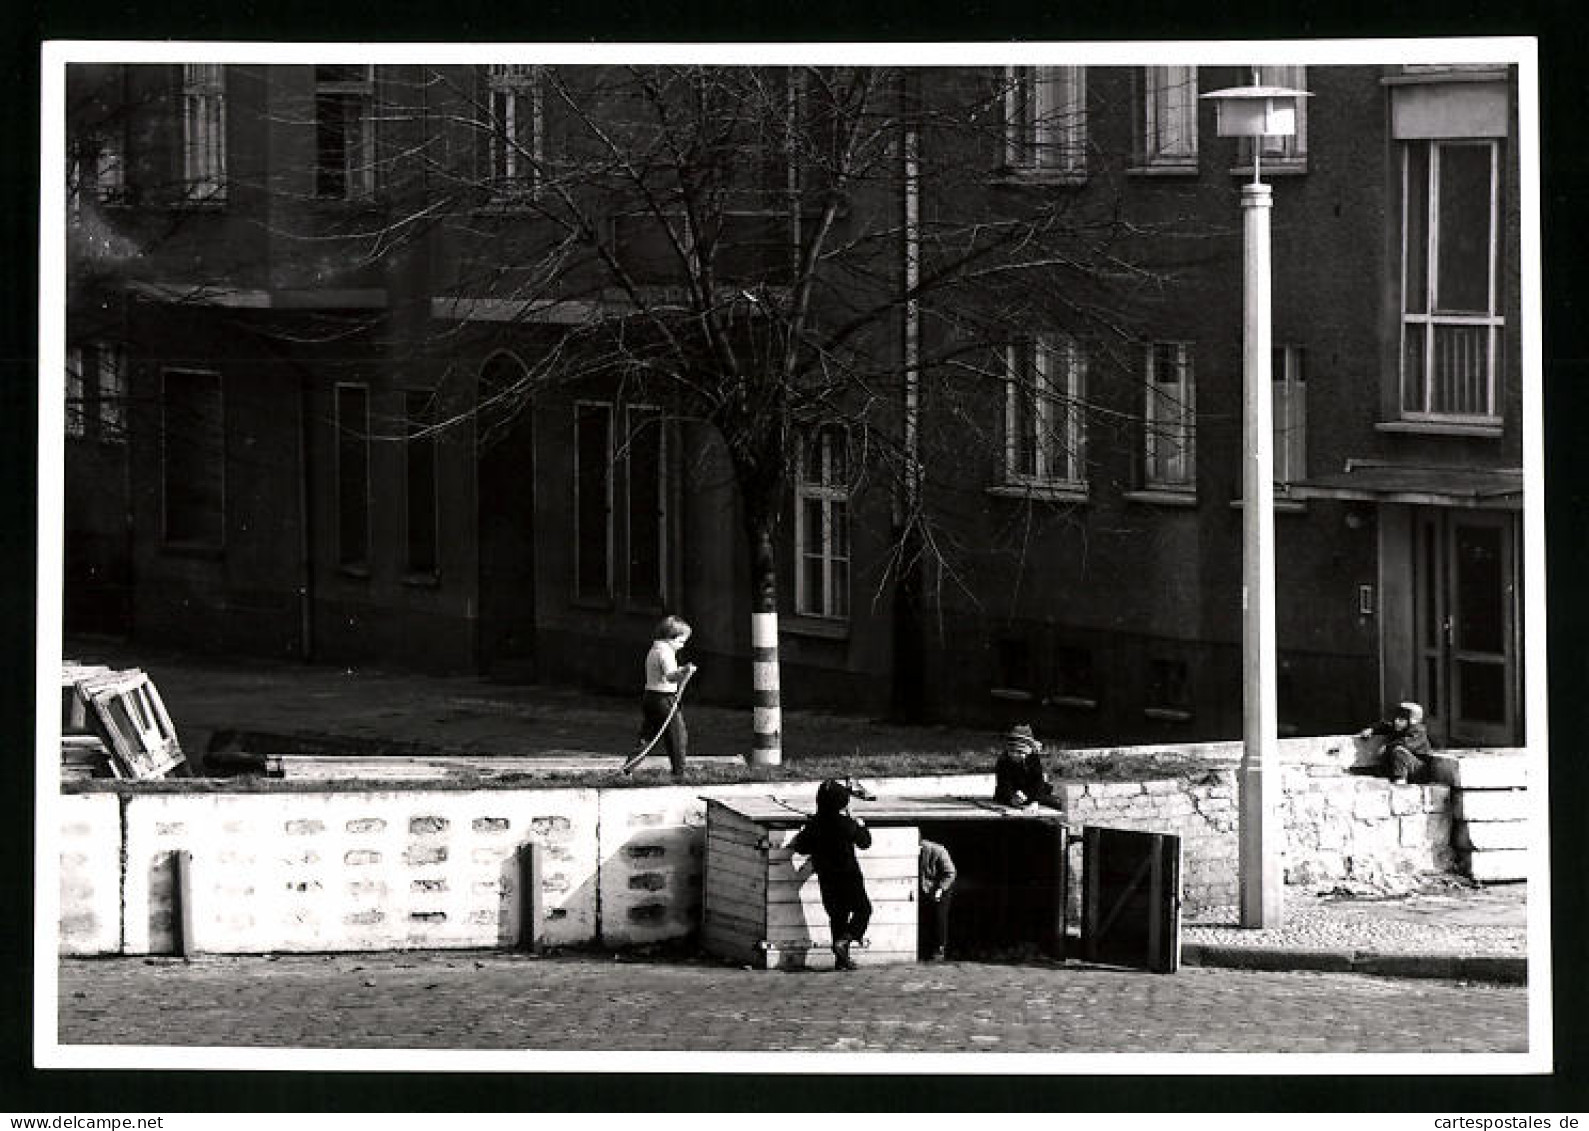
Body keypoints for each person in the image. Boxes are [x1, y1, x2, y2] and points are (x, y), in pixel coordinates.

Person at [788, 778, 873, 971]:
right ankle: (846, 941)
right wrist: (860, 825)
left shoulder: (815, 825)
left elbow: (801, 847)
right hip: (849, 876)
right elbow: (865, 842)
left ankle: (841, 960)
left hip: (826, 878)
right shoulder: (846, 824)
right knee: (863, 910)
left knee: (837, 917)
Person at [622, 615, 696, 778]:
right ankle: (679, 772)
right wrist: (685, 671)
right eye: (681, 642)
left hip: (650, 697)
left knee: (648, 734)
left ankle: (629, 767)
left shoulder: (654, 649)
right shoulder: (666, 653)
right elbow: (670, 676)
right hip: (664, 699)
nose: (682, 646)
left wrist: (680, 671)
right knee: (678, 735)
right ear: (671, 638)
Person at [1357, 701, 1433, 784]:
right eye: (1396, 718)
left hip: (1417, 770)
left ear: (1411, 721)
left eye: (1401, 719)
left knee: (1399, 751)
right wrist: (1372, 729)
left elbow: (1405, 743)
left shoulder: (1418, 731)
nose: (1397, 721)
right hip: (1401, 767)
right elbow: (1384, 725)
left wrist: (1387, 747)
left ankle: (1400, 781)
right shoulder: (1397, 727)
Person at [993, 723, 1055, 807]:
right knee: (1002, 796)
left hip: (1028, 791)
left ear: (1028, 752)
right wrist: (1011, 797)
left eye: (1020, 752)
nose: (1015, 755)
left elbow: (1037, 781)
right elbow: (1003, 782)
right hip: (1010, 791)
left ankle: (1037, 801)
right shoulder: (1003, 760)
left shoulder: (1033, 759)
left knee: (1046, 793)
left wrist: (1035, 802)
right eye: (1012, 751)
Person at [918, 837, 957, 962]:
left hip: (942, 887)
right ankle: (925, 949)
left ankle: (939, 950)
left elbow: (950, 872)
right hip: (925, 887)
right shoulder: (918, 852)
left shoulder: (939, 851)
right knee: (925, 918)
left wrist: (940, 889)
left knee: (939, 917)